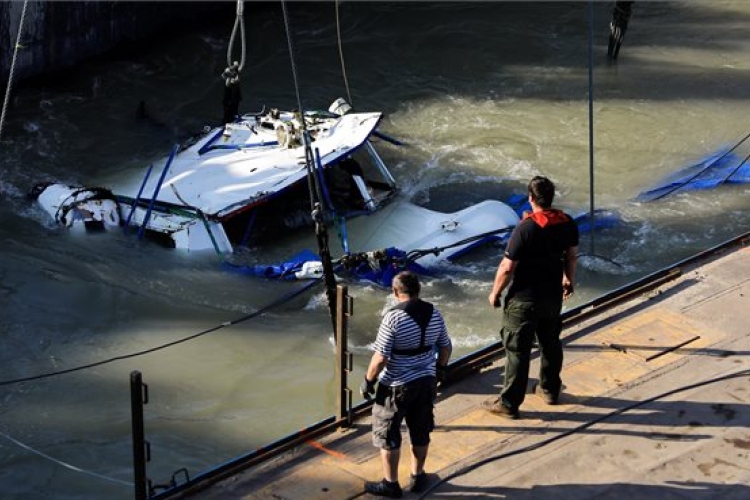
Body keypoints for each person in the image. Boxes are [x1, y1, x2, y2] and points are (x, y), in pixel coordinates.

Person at [483, 176, 578, 419]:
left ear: (531, 198)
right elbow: (571, 256)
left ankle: (509, 404)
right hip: (552, 297)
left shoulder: (526, 228)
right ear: (551, 198)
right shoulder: (567, 223)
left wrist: (495, 293)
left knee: (517, 351)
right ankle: (549, 390)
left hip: (523, 300)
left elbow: (507, 267)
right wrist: (568, 279)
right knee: (550, 343)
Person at [360, 271, 452, 498]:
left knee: (388, 433)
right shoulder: (434, 313)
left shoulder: (393, 318)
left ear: (395, 291)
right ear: (418, 290)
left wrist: (368, 381)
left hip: (396, 385)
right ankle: (418, 476)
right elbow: (446, 347)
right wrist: (439, 369)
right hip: (426, 382)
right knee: (420, 430)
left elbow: (380, 358)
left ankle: (390, 484)